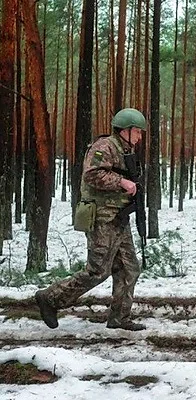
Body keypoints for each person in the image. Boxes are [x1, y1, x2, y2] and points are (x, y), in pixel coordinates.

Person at [34, 108, 147, 331]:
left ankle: (119, 318)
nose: (140, 137)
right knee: (97, 272)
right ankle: (50, 298)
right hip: (102, 218)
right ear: (126, 130)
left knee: (129, 268)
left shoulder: (125, 150)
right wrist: (122, 182)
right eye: (138, 131)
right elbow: (92, 174)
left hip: (118, 217)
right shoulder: (104, 147)